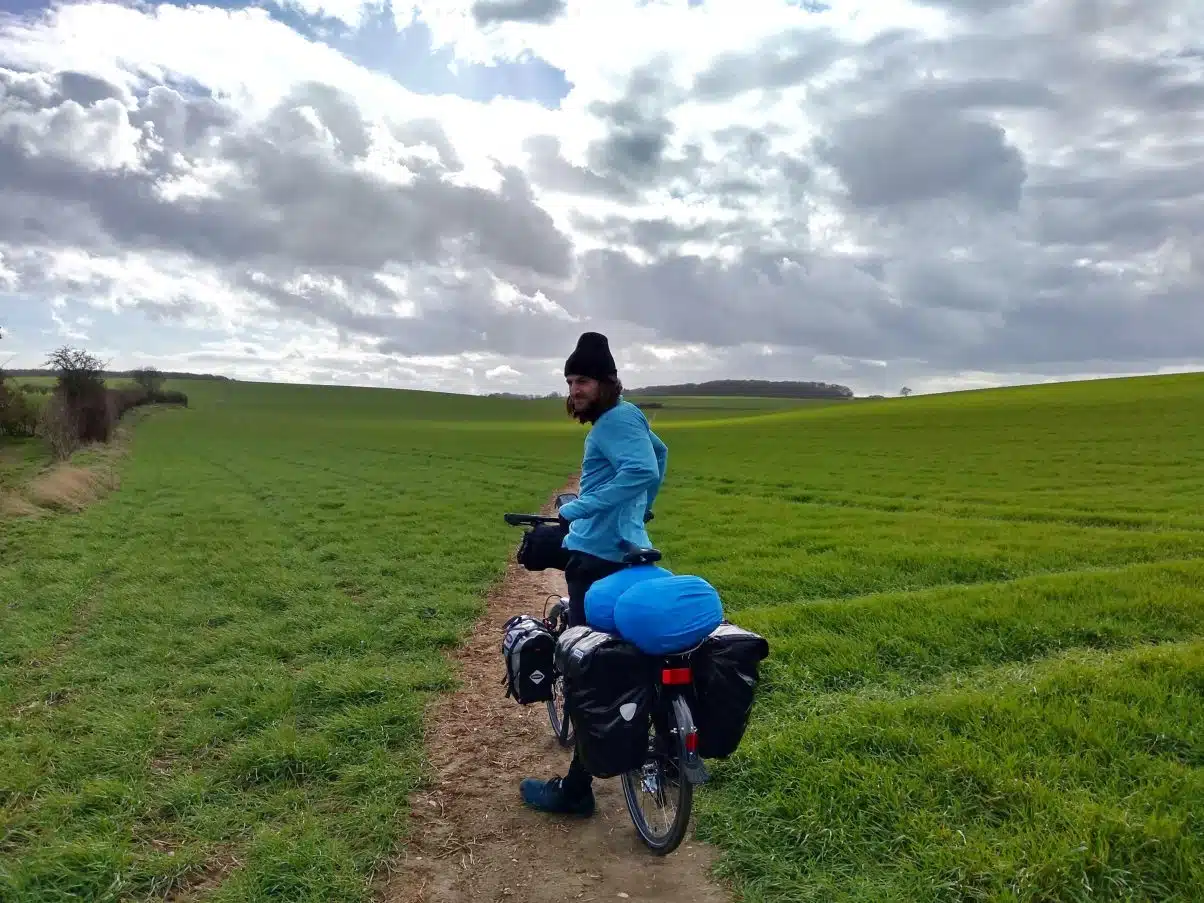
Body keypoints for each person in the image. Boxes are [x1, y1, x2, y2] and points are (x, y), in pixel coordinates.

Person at [519, 331, 668, 817]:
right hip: (629, 552)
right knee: (639, 651)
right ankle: (663, 750)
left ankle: (578, 789)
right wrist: (638, 514)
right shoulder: (628, 416)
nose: (574, 390)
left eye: (582, 380)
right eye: (569, 381)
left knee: (587, 665)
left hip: (597, 557)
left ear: (606, 381)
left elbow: (643, 470)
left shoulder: (611, 422)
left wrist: (580, 508)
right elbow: (659, 455)